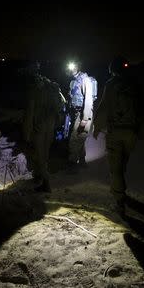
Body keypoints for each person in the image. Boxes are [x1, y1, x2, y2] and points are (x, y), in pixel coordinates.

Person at [93, 56, 143, 216]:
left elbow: (103, 107)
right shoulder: (134, 85)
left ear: (112, 70)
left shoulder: (111, 85)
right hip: (131, 133)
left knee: (115, 169)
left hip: (116, 132)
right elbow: (143, 109)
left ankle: (119, 202)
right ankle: (121, 191)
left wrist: (97, 127)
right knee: (122, 164)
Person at [22, 62, 66, 192]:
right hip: (50, 126)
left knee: (39, 155)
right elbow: (62, 103)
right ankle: (40, 176)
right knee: (45, 154)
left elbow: (30, 113)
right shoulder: (52, 87)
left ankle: (45, 183)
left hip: (39, 127)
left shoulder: (35, 90)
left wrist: (26, 133)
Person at [66, 62, 97, 171]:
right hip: (76, 114)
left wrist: (85, 119)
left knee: (75, 139)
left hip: (84, 114)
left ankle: (73, 165)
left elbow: (88, 100)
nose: (71, 69)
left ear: (78, 67)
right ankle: (82, 161)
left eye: (73, 67)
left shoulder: (85, 80)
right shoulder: (73, 81)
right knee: (79, 137)